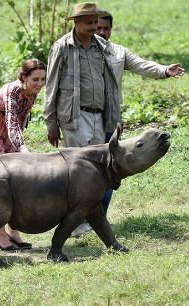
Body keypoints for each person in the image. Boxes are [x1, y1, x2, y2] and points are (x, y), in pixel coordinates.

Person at [96, 8, 185, 216]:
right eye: (97, 27)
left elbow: (141, 65)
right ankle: (82, 218)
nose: (101, 32)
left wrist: (164, 70)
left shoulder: (118, 52)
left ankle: (100, 217)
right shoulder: (78, 52)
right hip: (84, 118)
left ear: (111, 30)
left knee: (110, 169)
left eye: (105, 28)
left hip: (110, 118)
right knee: (88, 169)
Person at [43, 2, 120, 237]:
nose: (93, 27)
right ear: (76, 23)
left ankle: (90, 220)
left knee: (96, 171)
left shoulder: (102, 47)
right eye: (88, 23)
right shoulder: (62, 47)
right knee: (78, 172)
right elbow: (51, 85)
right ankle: (75, 224)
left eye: (95, 22)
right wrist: (51, 123)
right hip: (74, 117)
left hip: (99, 115)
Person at [0, 58, 46, 251]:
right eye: (35, 79)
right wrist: (23, 149)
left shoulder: (33, 93)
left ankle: (14, 230)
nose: (39, 84)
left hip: (10, 133)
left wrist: (18, 148)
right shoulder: (13, 91)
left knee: (17, 180)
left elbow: (20, 122)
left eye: (42, 79)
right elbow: (11, 122)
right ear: (23, 77)